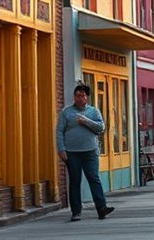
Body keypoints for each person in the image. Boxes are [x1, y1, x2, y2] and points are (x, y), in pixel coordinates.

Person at [57, 84, 115, 222]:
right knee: (75, 181)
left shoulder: (93, 112)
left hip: (90, 151)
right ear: (74, 97)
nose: (80, 98)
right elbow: (59, 131)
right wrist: (61, 149)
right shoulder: (66, 112)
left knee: (93, 178)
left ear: (87, 98)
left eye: (83, 95)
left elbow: (101, 127)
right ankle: (76, 212)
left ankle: (102, 208)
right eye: (78, 95)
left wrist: (86, 121)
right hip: (72, 152)